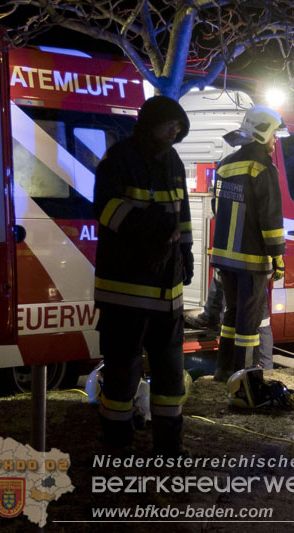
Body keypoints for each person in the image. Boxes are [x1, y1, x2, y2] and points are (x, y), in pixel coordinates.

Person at [93, 95, 193, 457]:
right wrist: (150, 227)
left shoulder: (173, 160)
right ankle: (118, 442)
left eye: (180, 127)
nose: (176, 131)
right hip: (126, 291)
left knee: (170, 374)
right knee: (122, 373)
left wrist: (186, 251)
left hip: (168, 292)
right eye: (171, 124)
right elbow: (105, 209)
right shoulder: (120, 158)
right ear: (151, 123)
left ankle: (170, 445)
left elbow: (181, 216)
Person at [209, 106, 287, 382]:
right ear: (263, 133)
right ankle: (244, 379)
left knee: (230, 315)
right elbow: (271, 219)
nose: (275, 141)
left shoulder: (225, 165)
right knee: (249, 322)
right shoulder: (264, 168)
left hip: (223, 257)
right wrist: (278, 257)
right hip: (252, 258)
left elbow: (216, 206)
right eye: (275, 135)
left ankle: (223, 370)